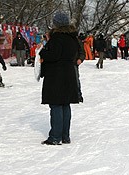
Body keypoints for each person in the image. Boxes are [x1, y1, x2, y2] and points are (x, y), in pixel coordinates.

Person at [40, 12, 80, 145]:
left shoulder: (57, 38)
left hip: (57, 75)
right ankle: (65, 135)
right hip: (68, 73)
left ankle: (56, 137)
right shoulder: (72, 38)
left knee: (56, 104)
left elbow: (54, 55)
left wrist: (43, 51)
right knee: (65, 104)